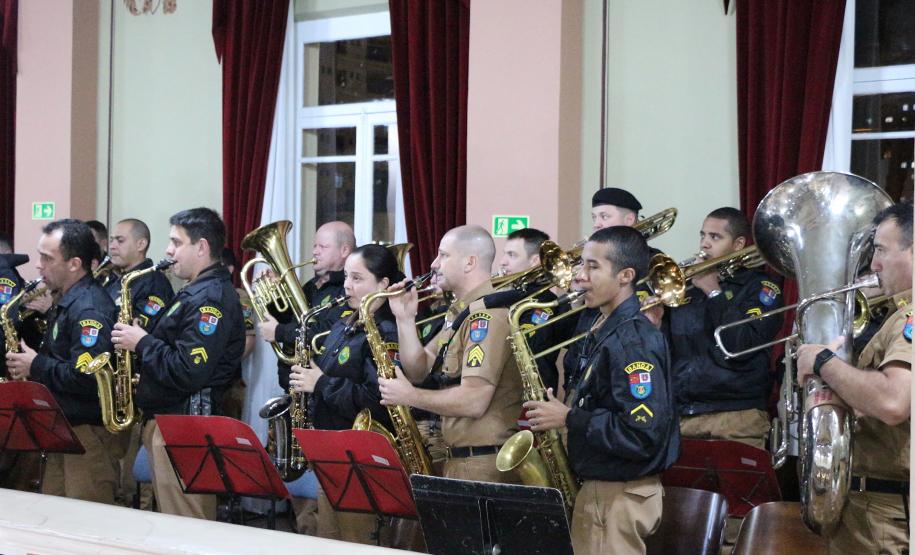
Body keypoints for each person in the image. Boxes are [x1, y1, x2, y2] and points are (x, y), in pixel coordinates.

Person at [524, 226, 679, 555]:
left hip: (617, 496)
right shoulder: (605, 327)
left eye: (593, 267)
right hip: (604, 492)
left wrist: (569, 418)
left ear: (626, 276)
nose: (580, 276)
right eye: (581, 264)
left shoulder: (632, 341)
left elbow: (641, 434)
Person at [112, 207, 245, 520]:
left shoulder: (209, 298)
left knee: (187, 523)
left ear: (201, 247)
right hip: (171, 420)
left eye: (176, 242)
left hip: (186, 424)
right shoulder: (194, 291)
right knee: (174, 522)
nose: (168, 251)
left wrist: (142, 342)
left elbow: (189, 370)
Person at [796, 202, 913, 554]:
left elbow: (892, 403)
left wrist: (823, 362)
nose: (873, 264)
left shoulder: (910, 319)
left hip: (881, 514)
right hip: (872, 505)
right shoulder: (896, 315)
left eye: (881, 250)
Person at [379, 225, 523, 483]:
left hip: (483, 462)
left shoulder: (487, 316)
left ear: (470, 262)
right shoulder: (460, 313)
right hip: (461, 458)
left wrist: (410, 396)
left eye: (443, 255)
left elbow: (474, 400)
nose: (434, 264)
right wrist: (404, 318)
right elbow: (418, 369)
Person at [289, 243, 402, 544]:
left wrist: (320, 383)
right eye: (347, 277)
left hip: (361, 459)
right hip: (333, 454)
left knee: (357, 543)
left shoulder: (386, 331)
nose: (347, 286)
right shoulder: (345, 323)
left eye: (357, 278)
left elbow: (377, 400)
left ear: (383, 284)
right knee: (329, 541)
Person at [5, 219, 122, 504]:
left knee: (86, 519)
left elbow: (87, 376)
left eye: (47, 258)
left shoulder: (89, 309)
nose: (38, 265)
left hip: (87, 433)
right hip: (65, 429)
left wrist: (36, 365)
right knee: (56, 516)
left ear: (74, 264)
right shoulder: (68, 300)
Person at [667, 207, 782, 449]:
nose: (704, 244)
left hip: (736, 418)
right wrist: (655, 322)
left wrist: (714, 292)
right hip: (682, 416)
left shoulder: (761, 288)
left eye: (715, 237)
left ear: (738, 244)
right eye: (703, 235)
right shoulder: (687, 289)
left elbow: (741, 344)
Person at [257, 221, 354, 391]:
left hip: (323, 387)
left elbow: (328, 332)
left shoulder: (348, 289)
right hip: (293, 384)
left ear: (344, 250)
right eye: (315, 246)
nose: (315, 251)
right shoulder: (311, 286)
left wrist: (279, 332)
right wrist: (275, 294)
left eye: (323, 246)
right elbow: (289, 319)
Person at [497, 227, 568, 392]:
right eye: (505, 254)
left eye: (512, 255)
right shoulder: (503, 296)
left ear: (535, 260)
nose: (502, 262)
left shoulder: (547, 302)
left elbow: (529, 347)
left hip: (533, 392)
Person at [105, 218, 175, 330]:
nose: (112, 246)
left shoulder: (155, 283)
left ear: (141, 244)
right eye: (111, 240)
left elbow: (141, 328)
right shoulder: (116, 279)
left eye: (120, 240)